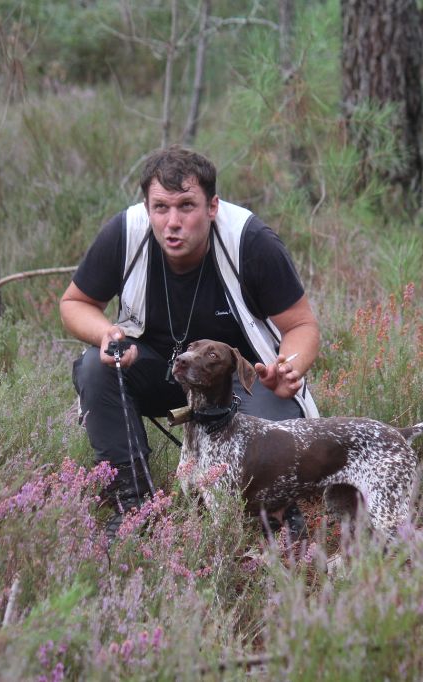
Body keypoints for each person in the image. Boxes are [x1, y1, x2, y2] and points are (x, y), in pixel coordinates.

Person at [60, 146, 320, 538]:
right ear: (147, 207)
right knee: (97, 368)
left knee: (276, 420)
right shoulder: (126, 233)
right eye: (161, 208)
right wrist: (106, 333)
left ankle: (279, 516)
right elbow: (75, 303)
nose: (173, 222)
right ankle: (133, 505)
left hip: (239, 379)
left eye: (187, 206)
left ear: (212, 206)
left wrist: (288, 366)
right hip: (159, 371)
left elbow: (302, 324)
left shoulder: (249, 240)